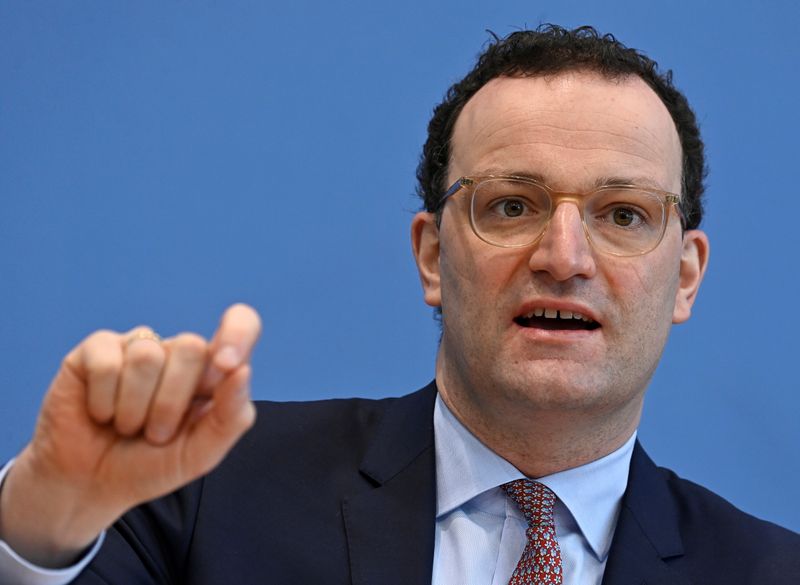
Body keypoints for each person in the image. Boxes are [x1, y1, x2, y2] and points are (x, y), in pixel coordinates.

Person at [0, 24, 798, 585]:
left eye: (623, 214)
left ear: (685, 275)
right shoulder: (207, 490)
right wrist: (42, 520)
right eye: (511, 205)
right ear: (432, 255)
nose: (563, 256)